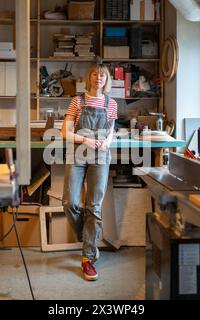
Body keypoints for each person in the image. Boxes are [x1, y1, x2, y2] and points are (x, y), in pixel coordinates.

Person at [61, 64, 118, 281]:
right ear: (89, 77)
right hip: (77, 154)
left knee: (94, 205)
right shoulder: (77, 101)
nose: (98, 77)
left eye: (102, 74)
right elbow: (64, 132)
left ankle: (88, 258)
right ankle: (88, 237)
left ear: (106, 79)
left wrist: (106, 143)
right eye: (95, 73)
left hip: (100, 156)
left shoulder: (111, 104)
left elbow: (111, 130)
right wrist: (87, 140)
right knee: (69, 202)